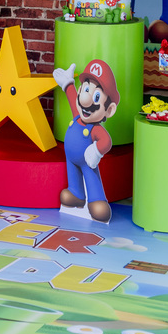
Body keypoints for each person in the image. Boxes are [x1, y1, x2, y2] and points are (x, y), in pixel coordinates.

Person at [53, 59, 119, 223]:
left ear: (109, 109)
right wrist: (68, 83)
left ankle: (97, 200)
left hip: (86, 161)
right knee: (73, 176)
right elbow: (72, 98)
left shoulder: (95, 129)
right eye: (86, 89)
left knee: (91, 176)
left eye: (96, 96)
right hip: (71, 159)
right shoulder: (78, 115)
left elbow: (106, 141)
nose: (85, 99)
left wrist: (96, 150)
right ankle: (76, 194)